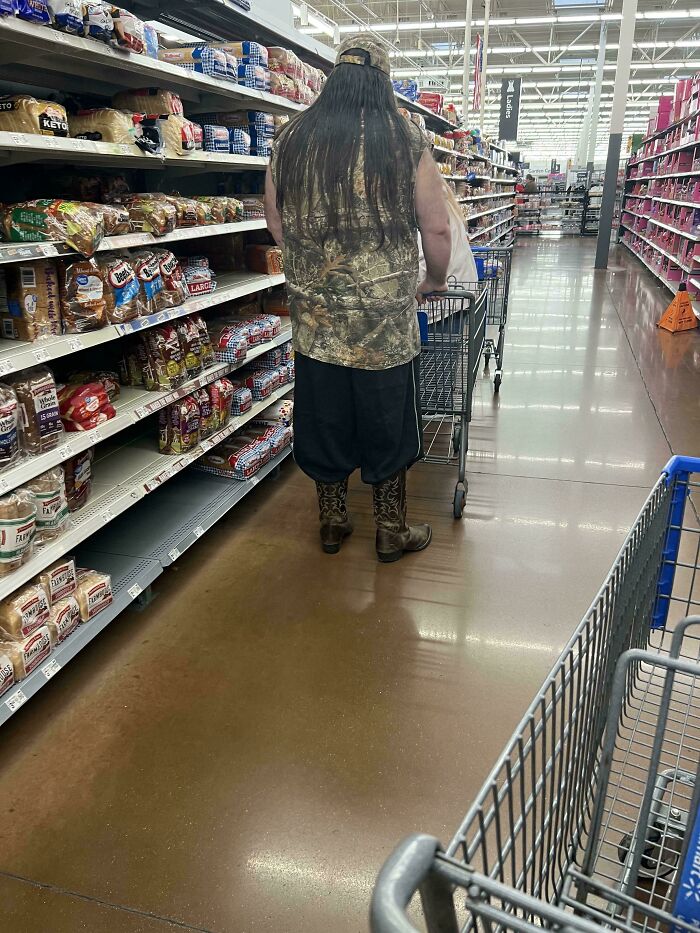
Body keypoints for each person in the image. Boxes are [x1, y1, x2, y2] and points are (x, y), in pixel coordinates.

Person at [264, 33, 451, 563]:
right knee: (386, 419)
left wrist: (310, 265)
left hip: (316, 321)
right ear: (383, 77)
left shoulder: (292, 136)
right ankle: (390, 529)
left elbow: (274, 217)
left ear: (333, 76)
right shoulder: (403, 136)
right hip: (383, 324)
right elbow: (436, 229)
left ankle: (332, 520)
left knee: (324, 417)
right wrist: (433, 281)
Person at [419, 179, 478, 284]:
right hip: (461, 284)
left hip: (451, 291)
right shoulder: (445, 205)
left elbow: (425, 261)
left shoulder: (433, 211)